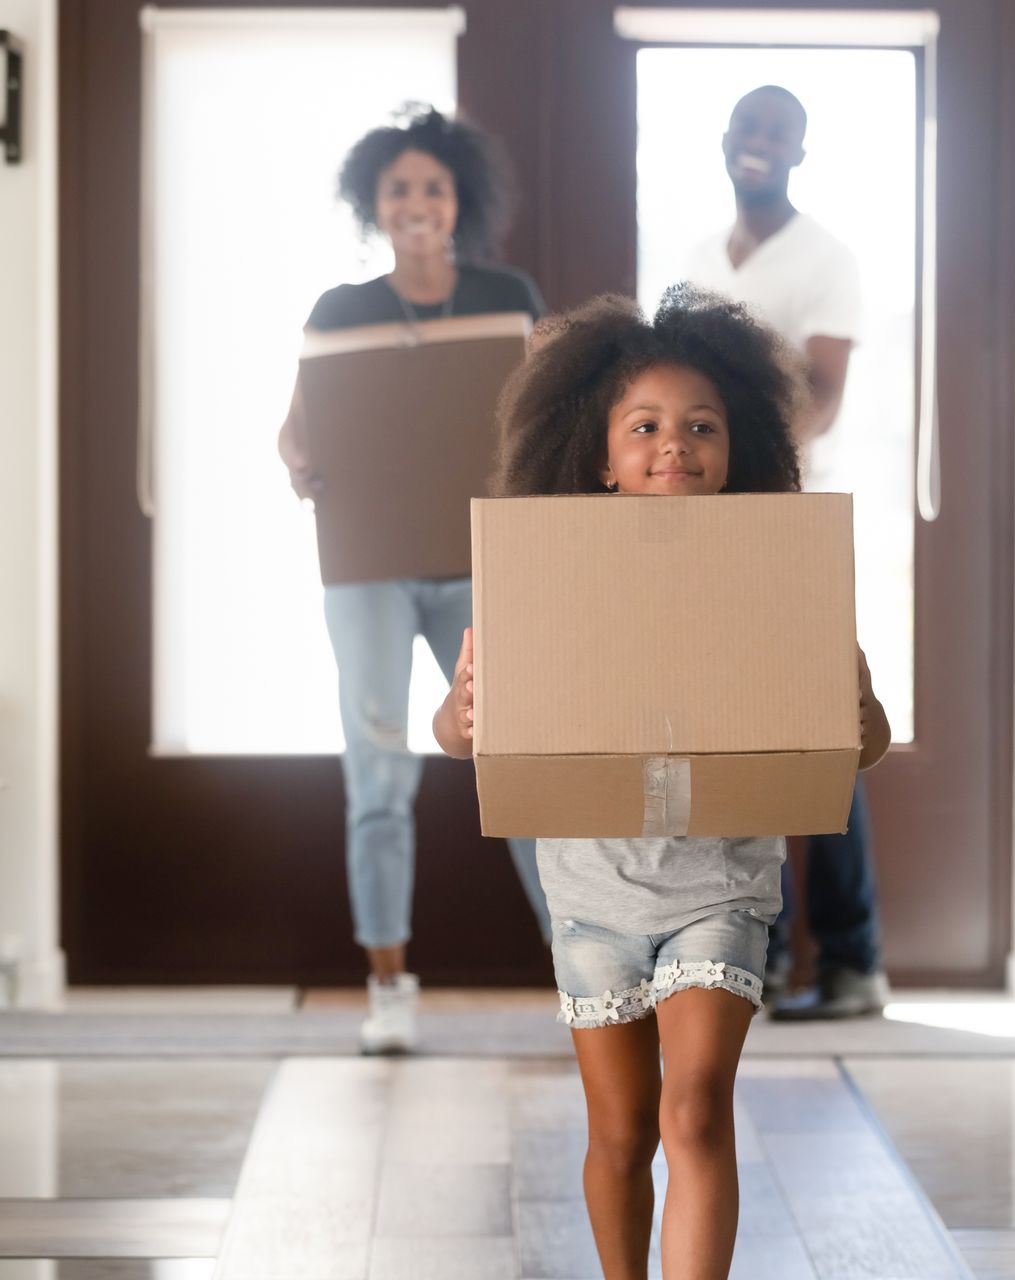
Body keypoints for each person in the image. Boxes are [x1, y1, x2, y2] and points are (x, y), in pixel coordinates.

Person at [433, 287, 892, 1280]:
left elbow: (860, 741)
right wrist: (461, 715)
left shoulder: (774, 570)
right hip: (591, 895)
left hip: (722, 885)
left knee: (696, 1111)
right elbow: (464, 730)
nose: (672, 445)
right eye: (644, 426)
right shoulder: (546, 571)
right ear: (600, 454)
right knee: (620, 1130)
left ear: (737, 450)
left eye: (700, 427)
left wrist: (860, 713)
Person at [277, 106, 549, 1055]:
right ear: (375, 203)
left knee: (523, 763)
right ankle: (389, 988)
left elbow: (551, 418)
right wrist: (300, 463)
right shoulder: (339, 310)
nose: (417, 203)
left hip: (481, 563)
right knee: (379, 776)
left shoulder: (509, 295)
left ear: (459, 198)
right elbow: (296, 430)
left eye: (433, 186)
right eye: (399, 189)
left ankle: (586, 977)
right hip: (370, 573)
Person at [684, 84, 888, 1019]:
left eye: (777, 133)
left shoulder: (825, 259)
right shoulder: (694, 263)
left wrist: (756, 472)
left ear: (799, 153)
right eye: (746, 128)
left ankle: (851, 962)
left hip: (793, 521)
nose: (757, 144)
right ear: (725, 142)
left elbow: (825, 397)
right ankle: (761, 959)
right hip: (708, 533)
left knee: (821, 733)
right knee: (739, 737)